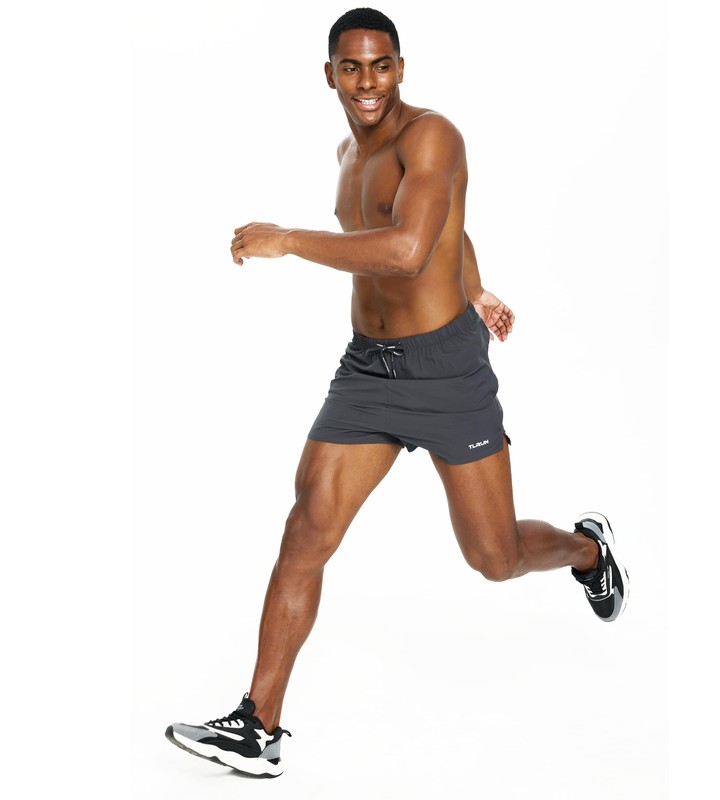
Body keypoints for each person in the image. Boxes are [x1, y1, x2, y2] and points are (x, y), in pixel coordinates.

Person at [165, 7, 629, 779]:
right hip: (368, 370)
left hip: (446, 369)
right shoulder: (348, 151)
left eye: (380, 65)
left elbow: (412, 248)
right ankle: (258, 726)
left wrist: (288, 240)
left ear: (401, 68)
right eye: (351, 67)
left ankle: (586, 549)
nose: (367, 81)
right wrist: (476, 285)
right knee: (306, 529)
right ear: (330, 75)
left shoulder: (433, 135)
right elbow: (449, 230)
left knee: (494, 557)